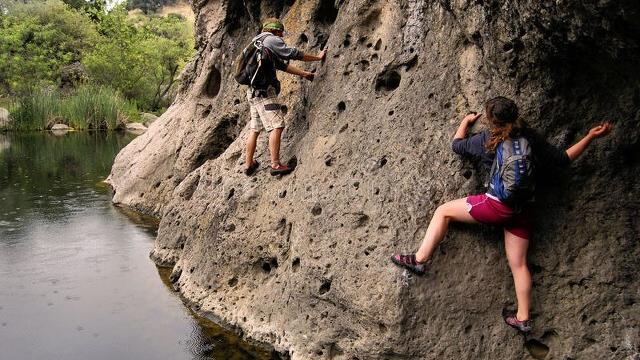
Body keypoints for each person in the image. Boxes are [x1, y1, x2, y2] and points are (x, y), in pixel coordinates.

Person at [391, 96, 612, 333]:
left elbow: (457, 145)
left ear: (490, 120)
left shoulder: (487, 140)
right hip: (523, 210)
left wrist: (465, 123)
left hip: (495, 207)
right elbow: (562, 159)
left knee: (443, 212)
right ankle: (523, 318)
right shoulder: (529, 137)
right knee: (519, 265)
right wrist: (590, 137)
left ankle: (420, 260)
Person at [244, 18, 326, 176]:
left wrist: (305, 74)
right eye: (280, 32)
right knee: (277, 125)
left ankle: (249, 164)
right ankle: (275, 165)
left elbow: (282, 65)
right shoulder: (271, 40)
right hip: (264, 92)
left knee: (255, 129)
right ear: (275, 31)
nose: (281, 36)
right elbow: (293, 54)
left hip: (252, 92)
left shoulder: (257, 42)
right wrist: (318, 57)